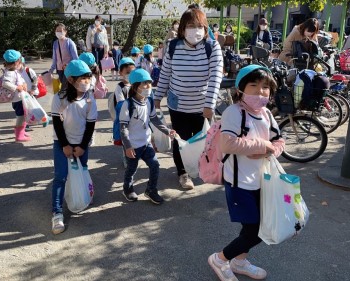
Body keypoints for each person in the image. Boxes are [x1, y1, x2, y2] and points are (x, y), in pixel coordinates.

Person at [207, 65, 285, 281]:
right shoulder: (234, 112)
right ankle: (220, 259)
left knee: (253, 226)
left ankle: (239, 261)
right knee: (255, 230)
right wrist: (263, 146)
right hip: (239, 183)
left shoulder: (267, 113)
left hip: (262, 182)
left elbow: (279, 140)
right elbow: (228, 144)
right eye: (254, 86)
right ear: (240, 88)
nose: (260, 92)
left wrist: (271, 150)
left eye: (265, 87)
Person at [154, 8, 223, 189]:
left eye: (200, 26)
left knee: (203, 140)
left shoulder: (212, 46)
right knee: (181, 140)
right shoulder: (173, 46)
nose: (196, 30)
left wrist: (210, 104)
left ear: (206, 28)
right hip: (178, 105)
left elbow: (216, 76)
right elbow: (165, 74)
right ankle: (183, 173)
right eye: (191, 26)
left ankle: (201, 167)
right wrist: (156, 98)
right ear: (183, 28)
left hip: (203, 106)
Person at [50, 60, 98, 234]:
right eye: (82, 79)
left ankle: (84, 194)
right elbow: (57, 123)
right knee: (61, 176)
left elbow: (91, 124)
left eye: (88, 78)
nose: (86, 82)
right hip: (61, 142)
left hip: (81, 142)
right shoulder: (59, 98)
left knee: (82, 169)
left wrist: (83, 146)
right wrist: (65, 145)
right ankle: (57, 212)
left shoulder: (90, 99)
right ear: (70, 80)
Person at [119, 68, 175, 204]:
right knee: (131, 170)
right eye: (144, 83)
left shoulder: (149, 101)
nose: (148, 86)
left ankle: (151, 190)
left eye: (149, 83)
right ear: (135, 86)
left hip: (146, 143)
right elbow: (123, 127)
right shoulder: (128, 104)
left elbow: (154, 119)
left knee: (155, 165)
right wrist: (127, 146)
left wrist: (167, 131)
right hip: (132, 145)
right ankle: (127, 188)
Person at [1, 49, 32, 142]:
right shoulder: (9, 73)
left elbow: (19, 79)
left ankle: (21, 132)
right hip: (17, 99)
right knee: (21, 116)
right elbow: (5, 83)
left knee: (24, 115)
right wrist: (17, 87)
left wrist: (23, 84)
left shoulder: (13, 70)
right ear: (17, 62)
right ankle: (19, 136)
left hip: (20, 98)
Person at [48, 23, 78, 93]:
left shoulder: (70, 42)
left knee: (65, 89)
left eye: (60, 30)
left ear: (65, 32)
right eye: (57, 31)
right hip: (59, 70)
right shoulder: (55, 43)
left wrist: (69, 65)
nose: (58, 32)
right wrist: (51, 70)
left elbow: (76, 59)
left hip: (69, 70)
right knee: (62, 88)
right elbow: (55, 59)